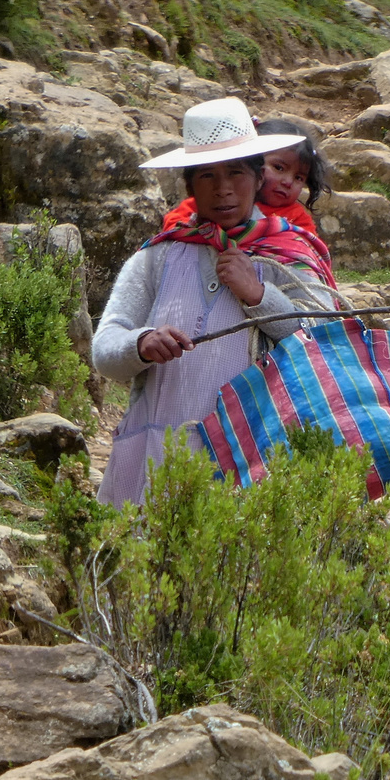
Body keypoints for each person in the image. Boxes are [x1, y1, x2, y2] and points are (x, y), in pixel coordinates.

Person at [93, 98, 335, 509]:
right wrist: (140, 343)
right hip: (156, 461)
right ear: (189, 185)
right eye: (207, 175)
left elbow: (325, 341)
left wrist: (259, 295)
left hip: (255, 462)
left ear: (258, 177)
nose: (222, 188)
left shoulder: (287, 255)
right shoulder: (157, 258)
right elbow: (104, 351)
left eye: (235, 172)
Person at [159, 119, 331, 240]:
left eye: (299, 177)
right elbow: (175, 229)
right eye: (278, 168)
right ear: (256, 168)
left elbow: (310, 254)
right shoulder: (205, 205)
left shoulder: (297, 219)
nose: (288, 182)